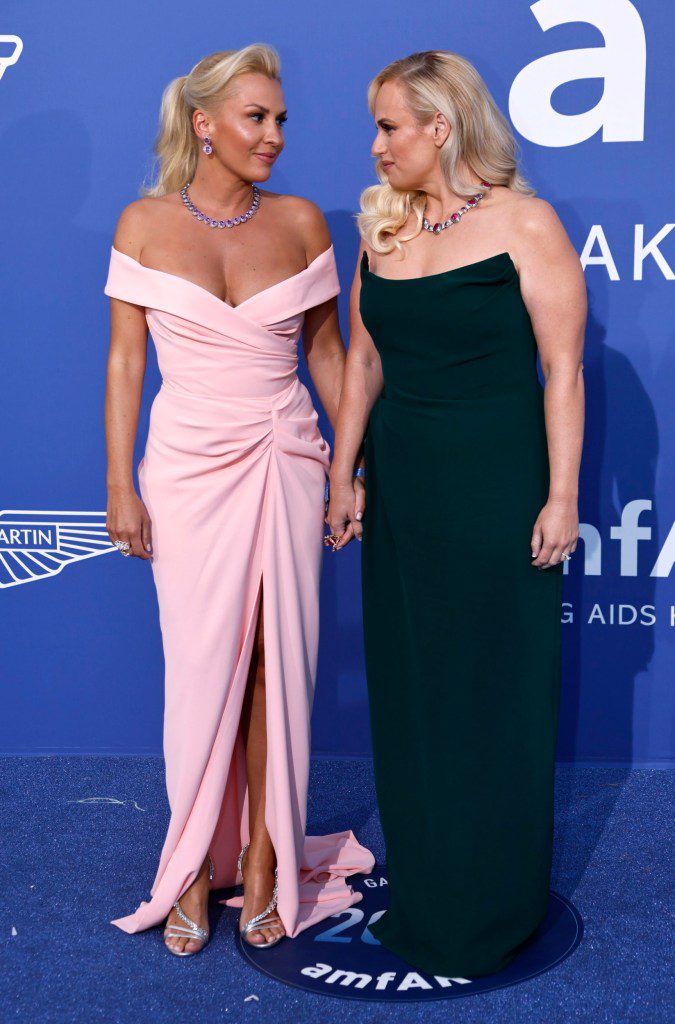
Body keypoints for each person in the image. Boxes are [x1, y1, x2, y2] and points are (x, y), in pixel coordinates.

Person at [103, 43, 373, 957]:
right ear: (203, 123)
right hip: (185, 468)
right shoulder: (142, 222)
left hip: (287, 457)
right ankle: (187, 869)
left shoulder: (300, 223)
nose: (273, 135)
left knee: (279, 665)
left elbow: (330, 358)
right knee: (202, 671)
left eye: (281, 120)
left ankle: (261, 862)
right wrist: (118, 485)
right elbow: (125, 364)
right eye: (256, 118)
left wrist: (346, 468)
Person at [327, 50, 585, 977]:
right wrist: (342, 472)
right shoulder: (381, 228)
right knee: (413, 693)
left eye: (390, 126)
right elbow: (362, 362)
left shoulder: (526, 223)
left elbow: (562, 370)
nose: (377, 145)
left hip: (494, 488)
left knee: (489, 693)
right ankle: (430, 890)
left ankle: (493, 905)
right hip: (401, 489)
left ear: (441, 126)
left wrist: (560, 496)